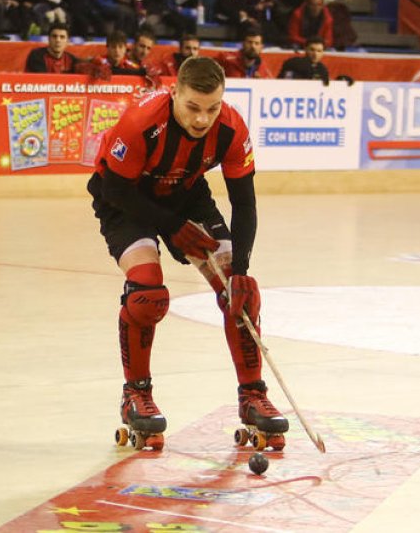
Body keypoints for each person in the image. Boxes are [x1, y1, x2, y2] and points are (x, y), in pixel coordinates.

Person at [87, 56, 287, 451]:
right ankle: (135, 394)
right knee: (147, 293)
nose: (202, 120)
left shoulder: (231, 128)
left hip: (185, 193)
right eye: (192, 107)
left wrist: (242, 269)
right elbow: (115, 191)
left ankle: (252, 395)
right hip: (125, 198)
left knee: (239, 293)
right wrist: (172, 228)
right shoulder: (141, 121)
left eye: (212, 108)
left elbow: (244, 203)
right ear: (174, 92)